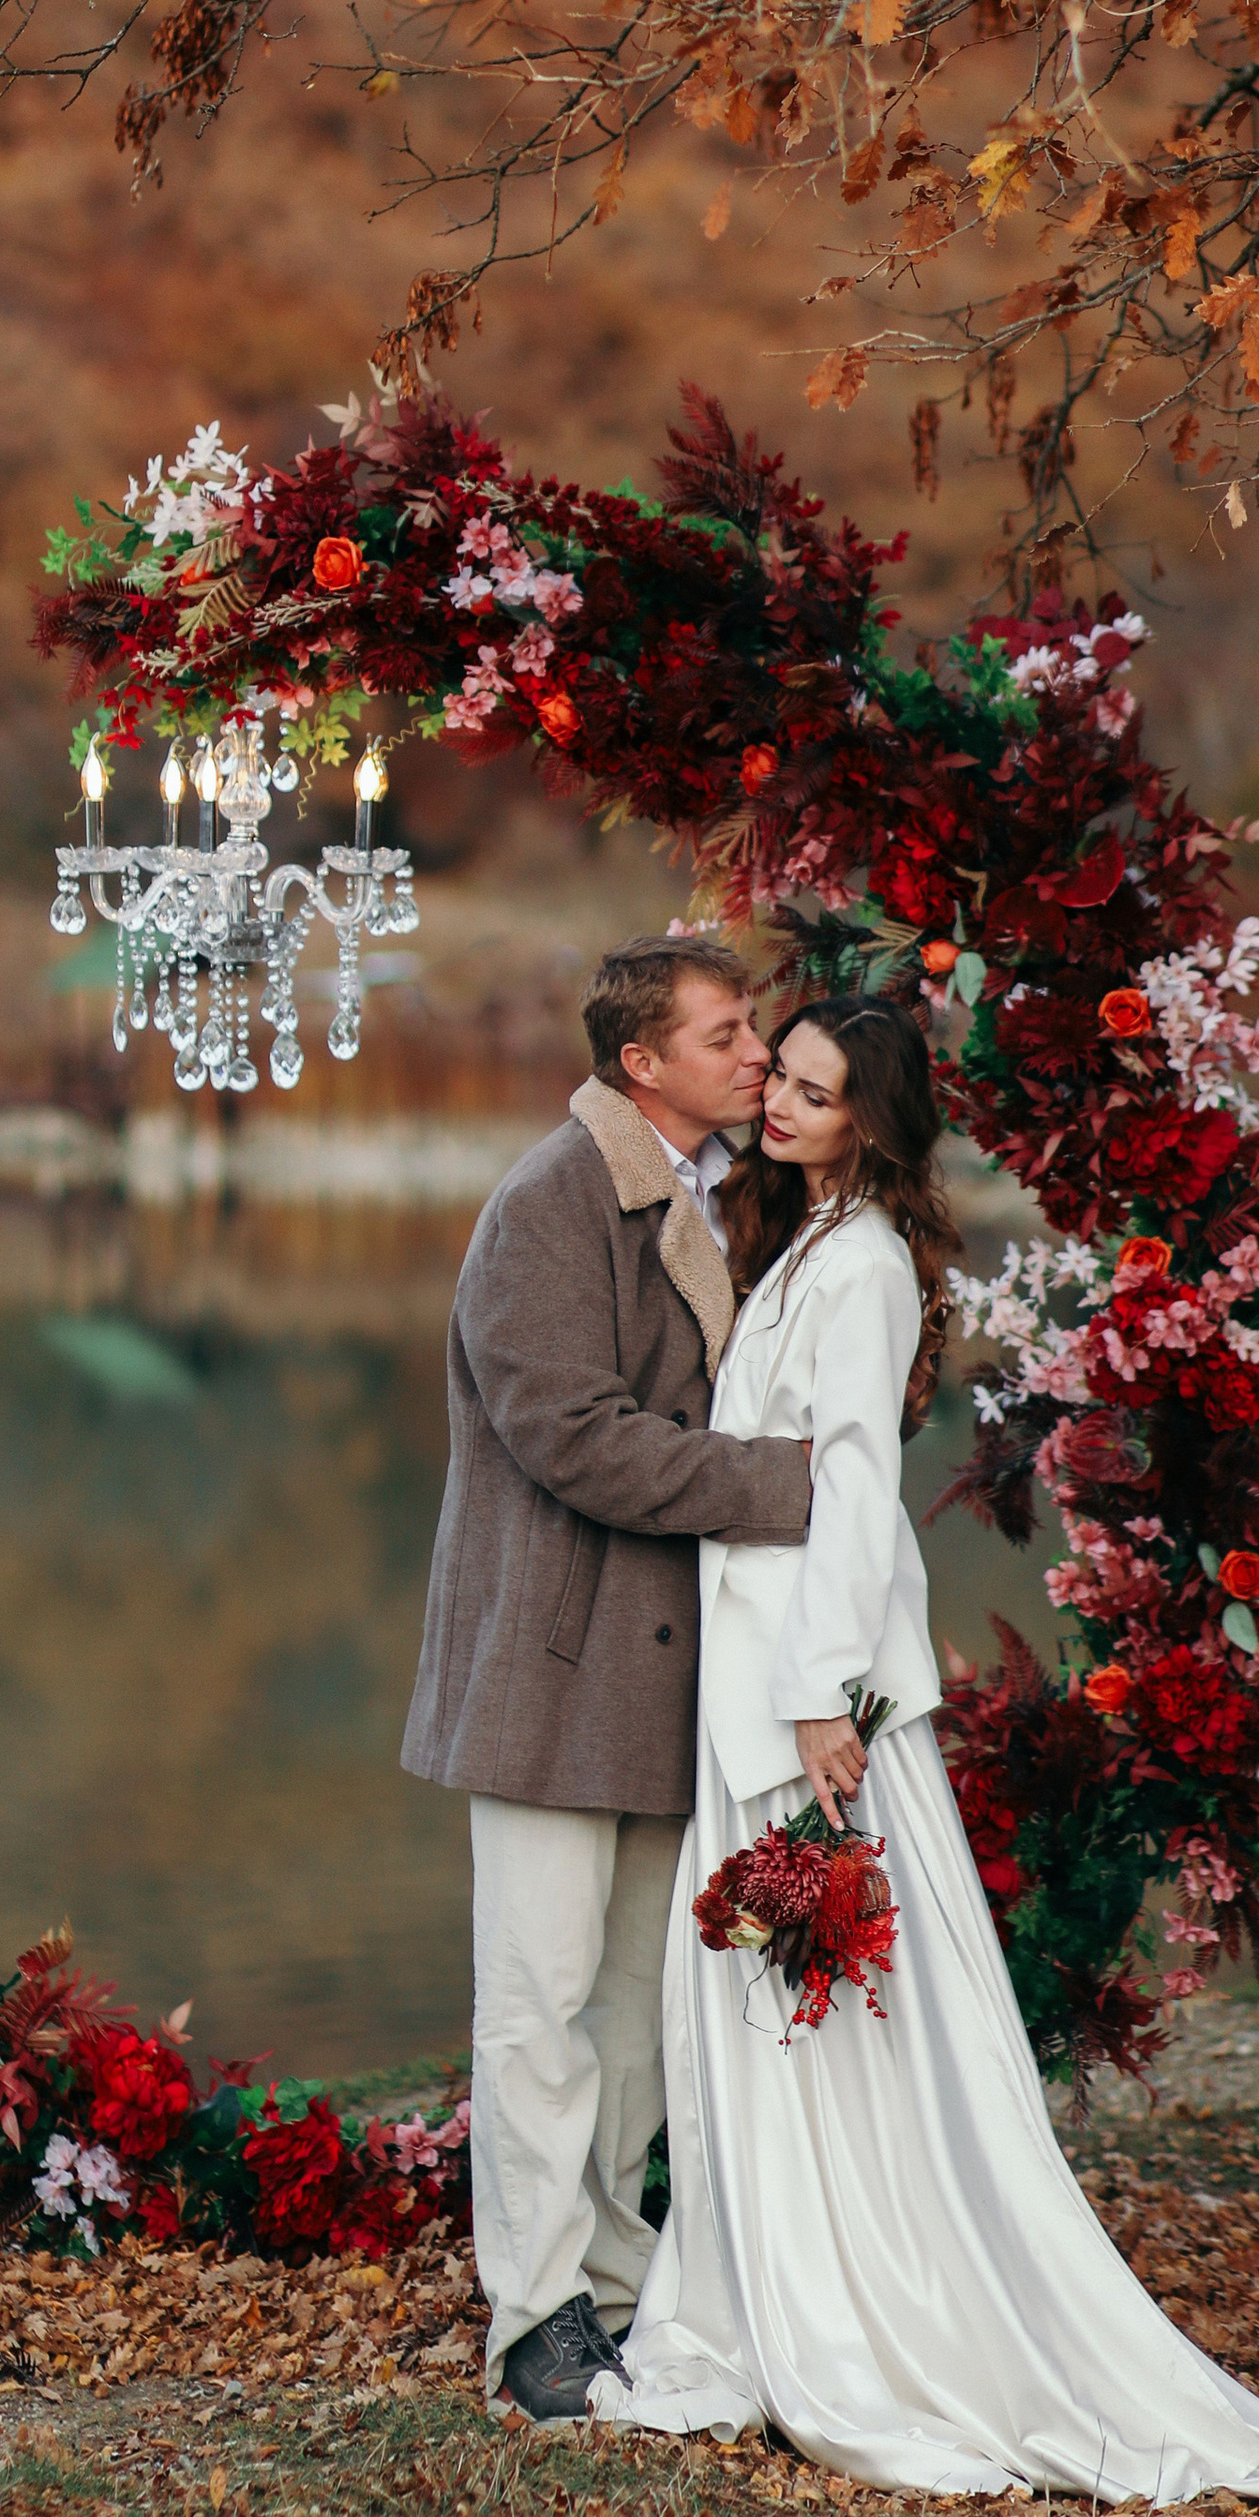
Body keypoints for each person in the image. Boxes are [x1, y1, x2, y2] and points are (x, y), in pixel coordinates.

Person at [597, 993, 1259, 2505]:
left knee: (837, 1990)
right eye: (782, 1079)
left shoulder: (863, 1266)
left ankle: (871, 2304)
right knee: (775, 1987)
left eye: (815, 1090)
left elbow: (849, 1486)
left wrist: (821, 1694)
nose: (781, 1102)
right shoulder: (805, 1237)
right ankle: (768, 2287)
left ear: (873, 1120)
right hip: (752, 1666)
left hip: (809, 1683)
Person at [401, 934, 814, 2427]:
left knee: (635, 2012)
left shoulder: (730, 1195)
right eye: (725, 1035)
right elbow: (569, 1433)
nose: (757, 1054)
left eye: (754, 1028)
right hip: (551, 1664)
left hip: (671, 1670)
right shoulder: (551, 1201)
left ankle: (622, 2292)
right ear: (641, 1063)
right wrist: (788, 1487)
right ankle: (533, 2322)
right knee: (539, 2004)